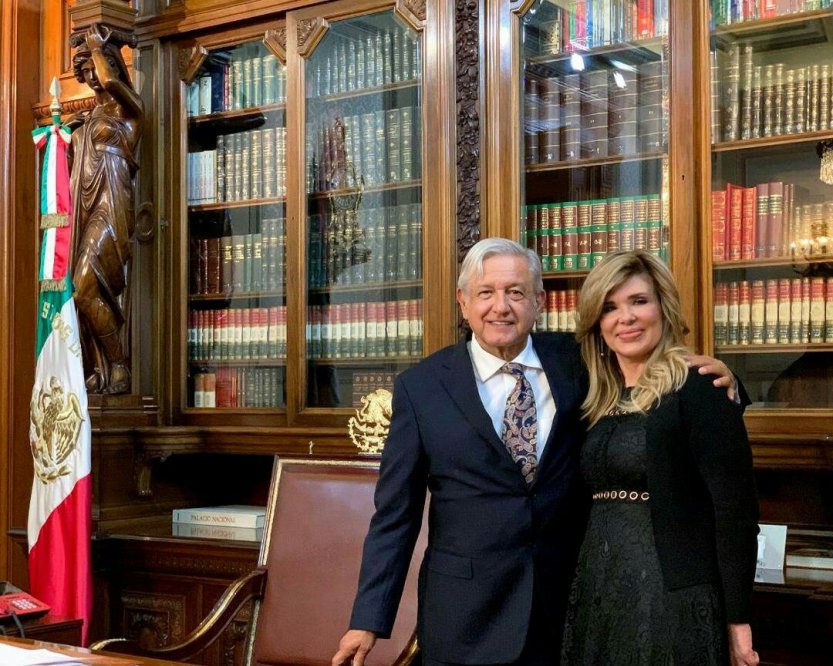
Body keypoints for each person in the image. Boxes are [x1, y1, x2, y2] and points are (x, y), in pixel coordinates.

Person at [332, 238, 737, 666]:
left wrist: (727, 384)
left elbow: (659, 380)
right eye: (486, 293)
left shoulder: (581, 361)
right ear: (463, 302)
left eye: (516, 292)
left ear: (539, 301)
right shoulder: (421, 389)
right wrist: (368, 620)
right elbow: (395, 516)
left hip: (568, 610)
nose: (501, 307)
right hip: (465, 619)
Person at [560, 250, 759, 666]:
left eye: (639, 301)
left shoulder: (700, 388)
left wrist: (739, 621)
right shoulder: (594, 398)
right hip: (598, 592)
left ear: (663, 308)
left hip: (672, 599)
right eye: (610, 307)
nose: (626, 318)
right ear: (597, 322)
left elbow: (735, 513)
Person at [69, 23, 144, 394]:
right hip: (84, 205)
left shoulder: (131, 111)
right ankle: (99, 366)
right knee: (80, 290)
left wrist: (98, 48)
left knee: (84, 286)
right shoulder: (85, 121)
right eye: (85, 70)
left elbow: (113, 83)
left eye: (97, 67)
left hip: (111, 203)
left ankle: (119, 365)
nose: (93, 76)